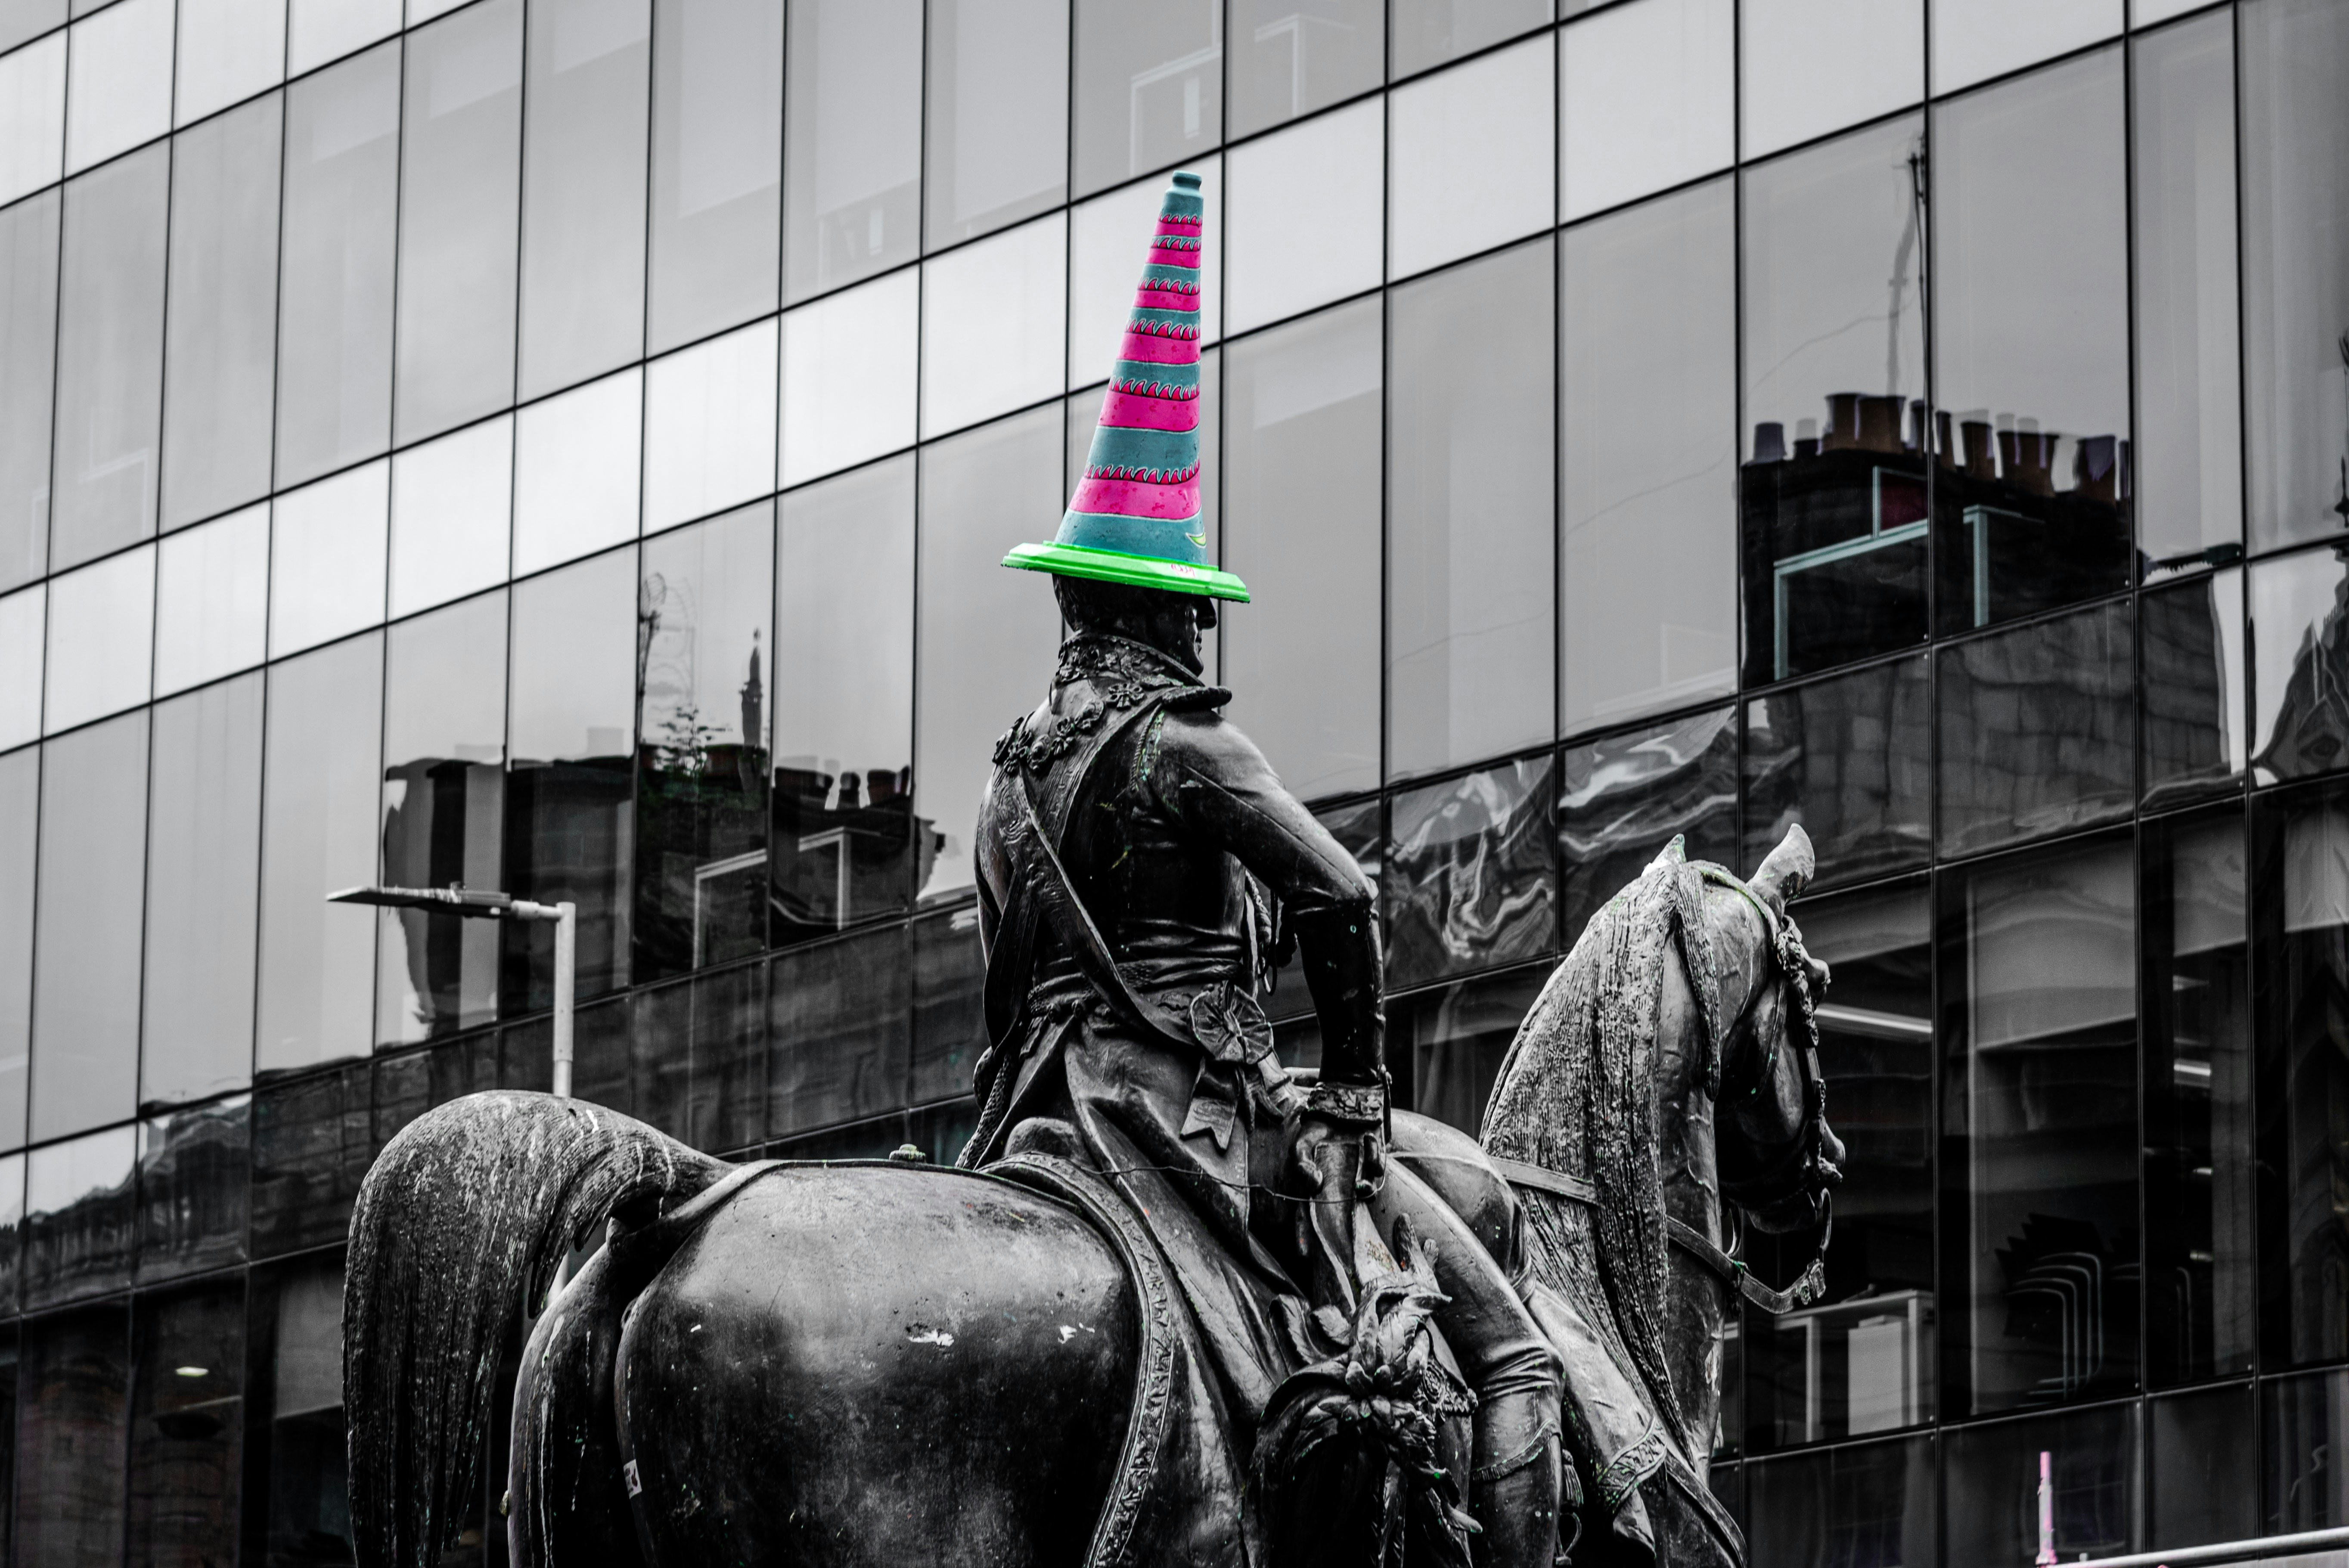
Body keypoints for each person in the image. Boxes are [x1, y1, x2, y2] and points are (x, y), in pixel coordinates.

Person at [964, 170, 1562, 1568]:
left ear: (1067, 597)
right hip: (1192, 1127)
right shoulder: (1184, 744)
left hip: (1039, 1123)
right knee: (1517, 1358)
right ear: (1169, 602)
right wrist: (1355, 1084)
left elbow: (1003, 996)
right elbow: (1340, 896)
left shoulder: (1007, 778)